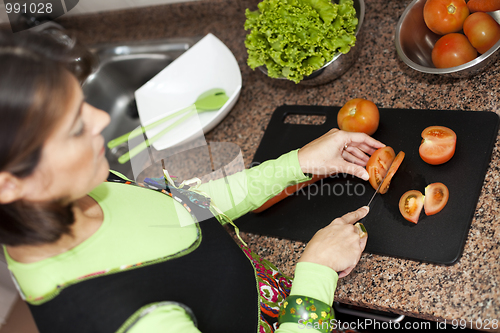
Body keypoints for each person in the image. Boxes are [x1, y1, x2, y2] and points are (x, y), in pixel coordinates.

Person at [0, 30, 385, 333]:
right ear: (9, 185)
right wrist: (315, 270)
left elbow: (182, 209)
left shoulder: (83, 185)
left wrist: (295, 164)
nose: (101, 120)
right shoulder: (114, 318)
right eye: (75, 126)